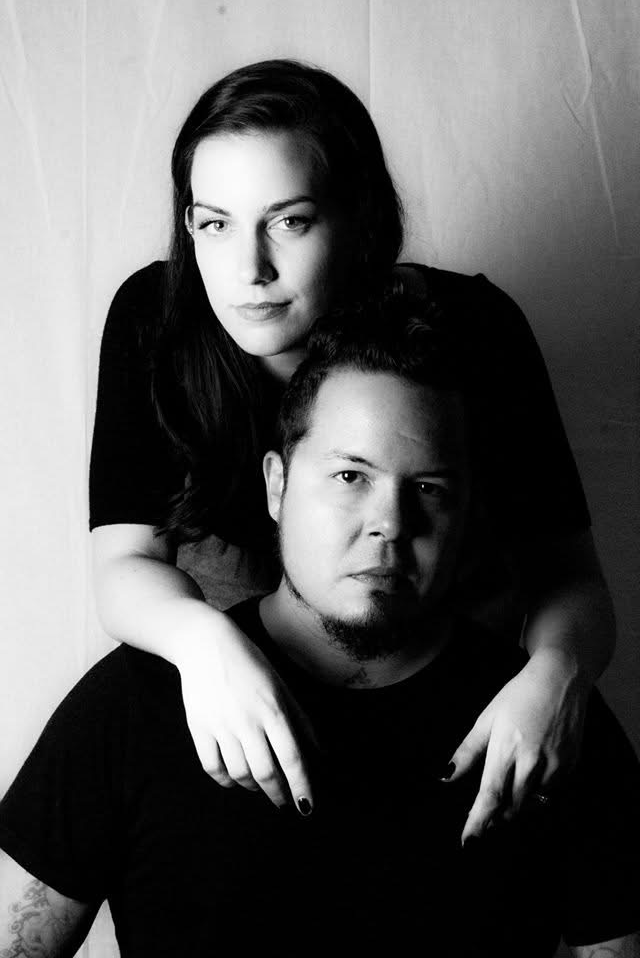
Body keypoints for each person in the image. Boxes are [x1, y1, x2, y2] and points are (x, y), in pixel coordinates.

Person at [1, 301, 638, 958]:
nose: (389, 523)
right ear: (276, 486)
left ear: (467, 509)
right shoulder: (139, 702)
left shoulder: (547, 720)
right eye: (349, 475)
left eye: (428, 488)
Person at [90, 58, 616, 837]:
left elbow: (568, 577)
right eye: (215, 223)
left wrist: (555, 673)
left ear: (360, 219)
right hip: (240, 710)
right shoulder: (156, 320)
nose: (249, 270)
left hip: (453, 715)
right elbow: (122, 565)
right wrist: (205, 644)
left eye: (290, 221)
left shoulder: (474, 329)